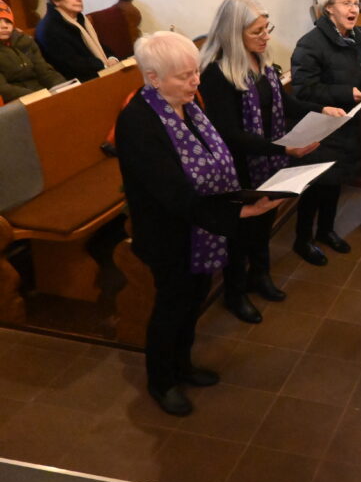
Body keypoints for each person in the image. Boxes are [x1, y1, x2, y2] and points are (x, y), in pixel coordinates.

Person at [115, 31, 283, 416]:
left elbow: (214, 163)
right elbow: (172, 193)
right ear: (153, 78)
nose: (195, 82)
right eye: (184, 76)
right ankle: (161, 381)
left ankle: (183, 364)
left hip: (201, 228)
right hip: (168, 235)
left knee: (193, 301)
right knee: (172, 306)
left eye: (195, 73)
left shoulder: (187, 107)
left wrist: (241, 196)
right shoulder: (139, 122)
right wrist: (237, 212)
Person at [199, 0, 345, 324]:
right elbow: (229, 132)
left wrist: (321, 110)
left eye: (267, 28)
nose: (266, 36)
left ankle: (259, 275)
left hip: (267, 159)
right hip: (238, 166)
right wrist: (283, 149)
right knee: (241, 232)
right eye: (257, 31)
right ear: (233, 34)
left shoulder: (260, 61)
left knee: (263, 221)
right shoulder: (215, 74)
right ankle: (235, 292)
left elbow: (285, 103)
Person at [291, 0, 361, 264]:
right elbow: (303, 89)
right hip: (320, 127)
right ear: (329, 8)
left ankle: (326, 231)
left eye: (356, 3)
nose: (354, 8)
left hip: (346, 124)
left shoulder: (357, 39)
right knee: (316, 186)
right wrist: (344, 93)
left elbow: (358, 74)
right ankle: (302, 240)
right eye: (347, 3)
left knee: (335, 182)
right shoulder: (311, 44)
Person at [33, 0, 118, 82]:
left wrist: (111, 58)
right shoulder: (49, 28)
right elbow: (70, 64)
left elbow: (98, 46)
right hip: (77, 81)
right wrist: (104, 66)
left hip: (96, 72)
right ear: (56, 0)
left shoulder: (80, 19)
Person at [0, 0, 66, 102]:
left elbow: (45, 72)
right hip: (16, 105)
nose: (4, 25)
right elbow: (4, 89)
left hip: (42, 95)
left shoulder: (25, 41)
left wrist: (64, 88)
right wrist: (39, 96)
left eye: (8, 21)